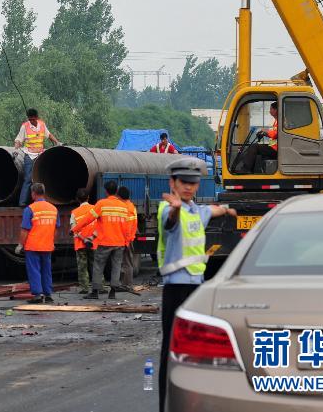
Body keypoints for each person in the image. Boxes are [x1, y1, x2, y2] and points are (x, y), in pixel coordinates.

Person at [157, 158, 237, 412]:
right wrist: (176, 208)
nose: (189, 187)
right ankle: (166, 404)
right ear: (173, 183)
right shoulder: (167, 209)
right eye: (184, 183)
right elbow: (170, 223)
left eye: (193, 183)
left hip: (196, 289)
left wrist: (226, 209)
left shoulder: (196, 210)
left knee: (197, 350)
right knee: (171, 350)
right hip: (176, 289)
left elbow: (211, 211)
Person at [71, 179, 129, 300]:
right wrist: (126, 241)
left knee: (98, 265)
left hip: (105, 242)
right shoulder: (124, 207)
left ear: (106, 191)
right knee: (116, 266)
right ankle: (112, 291)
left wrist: (75, 229)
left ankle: (95, 292)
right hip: (119, 242)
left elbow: (88, 219)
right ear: (116, 191)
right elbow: (126, 227)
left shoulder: (101, 204)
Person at [14, 183, 60, 304]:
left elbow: (25, 230)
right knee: (46, 270)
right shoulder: (53, 209)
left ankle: (38, 295)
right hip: (47, 245)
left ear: (33, 194)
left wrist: (20, 245)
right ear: (43, 193)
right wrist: (52, 242)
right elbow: (56, 229)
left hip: (33, 246)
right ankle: (48, 294)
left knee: (34, 270)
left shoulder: (30, 209)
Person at [13, 108, 61, 206]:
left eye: (33, 119)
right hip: (29, 156)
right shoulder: (25, 126)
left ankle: (42, 202)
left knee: (41, 177)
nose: (31, 121)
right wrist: (16, 149)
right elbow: (18, 139)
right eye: (30, 119)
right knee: (28, 179)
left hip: (40, 155)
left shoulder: (42, 125)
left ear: (37, 118)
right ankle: (22, 202)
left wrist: (57, 142)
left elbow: (49, 135)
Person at [235, 102, 278, 173]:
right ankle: (251, 170)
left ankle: (246, 169)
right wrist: (264, 134)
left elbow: (275, 134)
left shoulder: (280, 120)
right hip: (273, 147)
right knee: (255, 147)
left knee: (254, 147)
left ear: (276, 110)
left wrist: (265, 130)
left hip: (276, 149)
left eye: (271, 109)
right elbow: (274, 135)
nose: (269, 111)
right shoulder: (276, 121)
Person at [69, 188, 96, 294]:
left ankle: (85, 288)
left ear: (77, 199)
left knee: (82, 266)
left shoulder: (74, 213)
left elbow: (74, 230)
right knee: (96, 265)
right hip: (94, 242)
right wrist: (91, 238)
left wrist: (84, 239)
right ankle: (100, 286)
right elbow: (100, 226)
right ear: (88, 197)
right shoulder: (94, 209)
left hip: (81, 243)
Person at [117, 186, 138, 288]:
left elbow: (125, 226)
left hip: (125, 239)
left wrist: (125, 240)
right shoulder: (131, 206)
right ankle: (126, 284)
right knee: (128, 262)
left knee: (125, 263)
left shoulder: (124, 208)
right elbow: (134, 224)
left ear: (120, 196)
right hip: (130, 238)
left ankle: (126, 284)